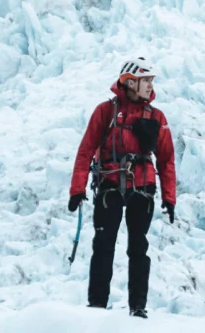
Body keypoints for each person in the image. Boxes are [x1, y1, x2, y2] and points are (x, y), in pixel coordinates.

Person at [67, 57, 177, 318]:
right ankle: (97, 307)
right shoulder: (105, 112)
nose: (151, 86)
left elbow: (166, 159)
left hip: (143, 188)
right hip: (110, 185)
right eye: (146, 81)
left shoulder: (157, 117)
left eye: (151, 81)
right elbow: (85, 151)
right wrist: (77, 189)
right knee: (103, 245)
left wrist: (170, 197)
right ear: (130, 83)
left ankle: (138, 309)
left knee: (138, 248)